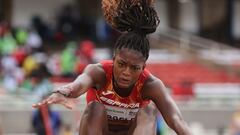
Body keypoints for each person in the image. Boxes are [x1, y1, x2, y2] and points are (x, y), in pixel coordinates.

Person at [33, 0, 192, 135]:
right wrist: (62, 92)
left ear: (143, 67)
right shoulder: (99, 72)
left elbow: (176, 120)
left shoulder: (151, 85)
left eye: (134, 68)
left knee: (149, 111)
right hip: (98, 130)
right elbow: (78, 85)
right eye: (121, 64)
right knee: (95, 108)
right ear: (114, 59)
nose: (126, 73)